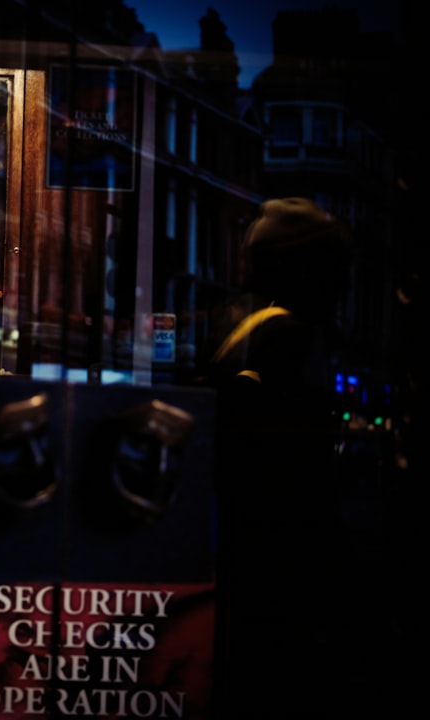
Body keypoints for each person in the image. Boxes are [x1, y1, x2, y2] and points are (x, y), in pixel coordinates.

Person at [203, 197, 352, 719]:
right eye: (333, 267)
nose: (340, 285)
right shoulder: (290, 336)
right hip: (273, 560)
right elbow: (298, 469)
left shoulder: (244, 326)